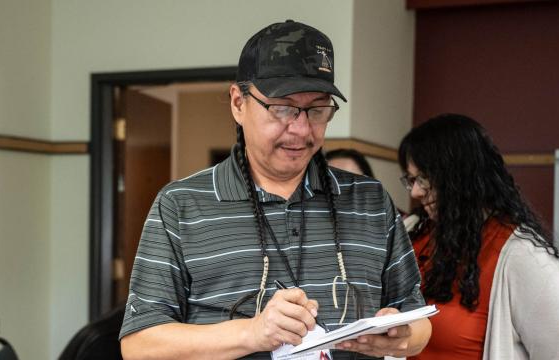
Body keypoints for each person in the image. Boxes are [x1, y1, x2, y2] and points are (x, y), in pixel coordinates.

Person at [119, 20, 431, 360]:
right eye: (282, 108)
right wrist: (253, 333)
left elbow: (416, 318)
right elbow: (139, 345)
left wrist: (403, 335)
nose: (300, 129)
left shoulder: (370, 201)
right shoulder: (181, 205)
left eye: (317, 109)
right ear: (238, 102)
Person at [398, 113, 559, 360]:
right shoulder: (413, 231)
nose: (415, 191)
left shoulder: (524, 256)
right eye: (411, 179)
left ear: (460, 178)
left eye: (424, 179)